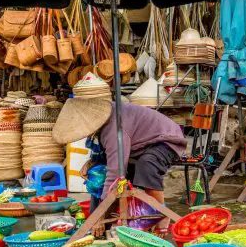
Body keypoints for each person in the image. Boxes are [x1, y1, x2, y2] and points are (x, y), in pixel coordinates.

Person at [52, 73, 187, 230]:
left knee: (147, 165)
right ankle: (98, 222)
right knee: (97, 175)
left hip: (166, 140)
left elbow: (115, 174)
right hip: (140, 145)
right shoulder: (103, 124)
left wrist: (101, 216)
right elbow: (105, 156)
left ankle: (161, 215)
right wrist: (92, 162)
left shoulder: (114, 128)